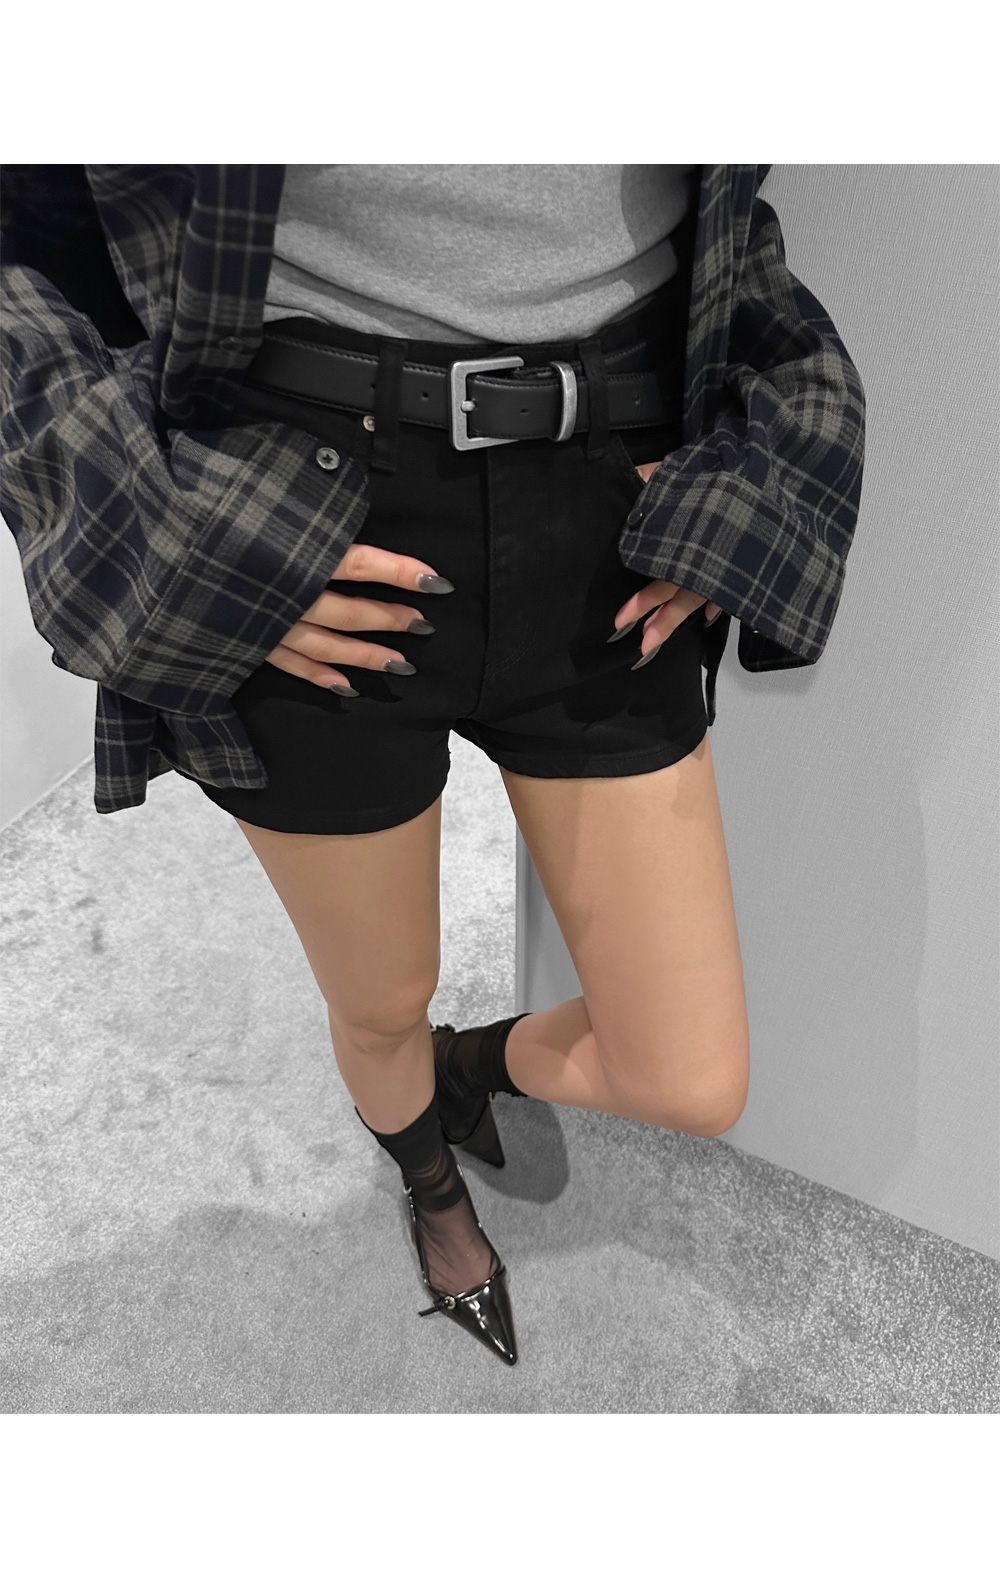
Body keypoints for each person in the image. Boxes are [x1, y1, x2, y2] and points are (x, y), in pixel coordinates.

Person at [0, 165, 866, 1368]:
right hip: (304, 503)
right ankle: (429, 1182)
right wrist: (162, 530)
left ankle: (463, 1067)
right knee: (379, 997)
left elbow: (735, 222)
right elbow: (23, 244)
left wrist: (760, 465)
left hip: (612, 500)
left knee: (689, 1073)